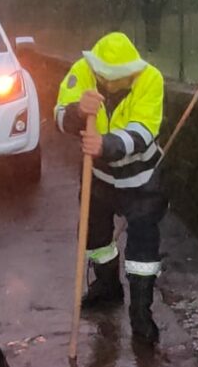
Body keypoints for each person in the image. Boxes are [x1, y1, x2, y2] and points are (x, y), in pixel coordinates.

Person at [55, 32, 167, 345]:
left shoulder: (150, 78)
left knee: (143, 247)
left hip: (141, 178)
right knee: (94, 235)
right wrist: (78, 112)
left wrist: (107, 144)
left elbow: (143, 131)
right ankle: (107, 288)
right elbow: (59, 115)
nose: (119, 83)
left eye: (125, 77)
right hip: (99, 176)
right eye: (113, 78)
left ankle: (141, 313)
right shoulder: (82, 71)